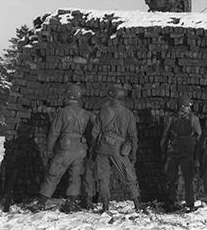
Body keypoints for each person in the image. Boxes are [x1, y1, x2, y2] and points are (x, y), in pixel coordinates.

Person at [29, 84, 92, 212]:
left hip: (65, 147)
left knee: (53, 174)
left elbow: (54, 133)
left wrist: (49, 149)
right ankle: (71, 202)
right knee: (75, 176)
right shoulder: (86, 114)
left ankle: (41, 202)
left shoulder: (63, 112)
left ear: (68, 96)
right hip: (80, 149)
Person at [92, 85, 141, 212]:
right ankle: (137, 204)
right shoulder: (128, 114)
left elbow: (94, 133)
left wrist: (93, 150)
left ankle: (105, 206)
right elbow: (133, 137)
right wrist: (133, 154)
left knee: (103, 177)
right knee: (128, 175)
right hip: (119, 149)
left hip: (102, 147)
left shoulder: (103, 111)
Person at [160, 96, 202, 212]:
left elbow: (164, 137)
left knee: (182, 178)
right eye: (188, 106)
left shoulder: (173, 119)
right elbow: (199, 137)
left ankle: (180, 202)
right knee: (177, 178)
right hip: (181, 152)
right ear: (183, 107)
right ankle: (179, 202)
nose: (190, 108)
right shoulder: (191, 119)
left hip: (180, 152)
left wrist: (164, 152)